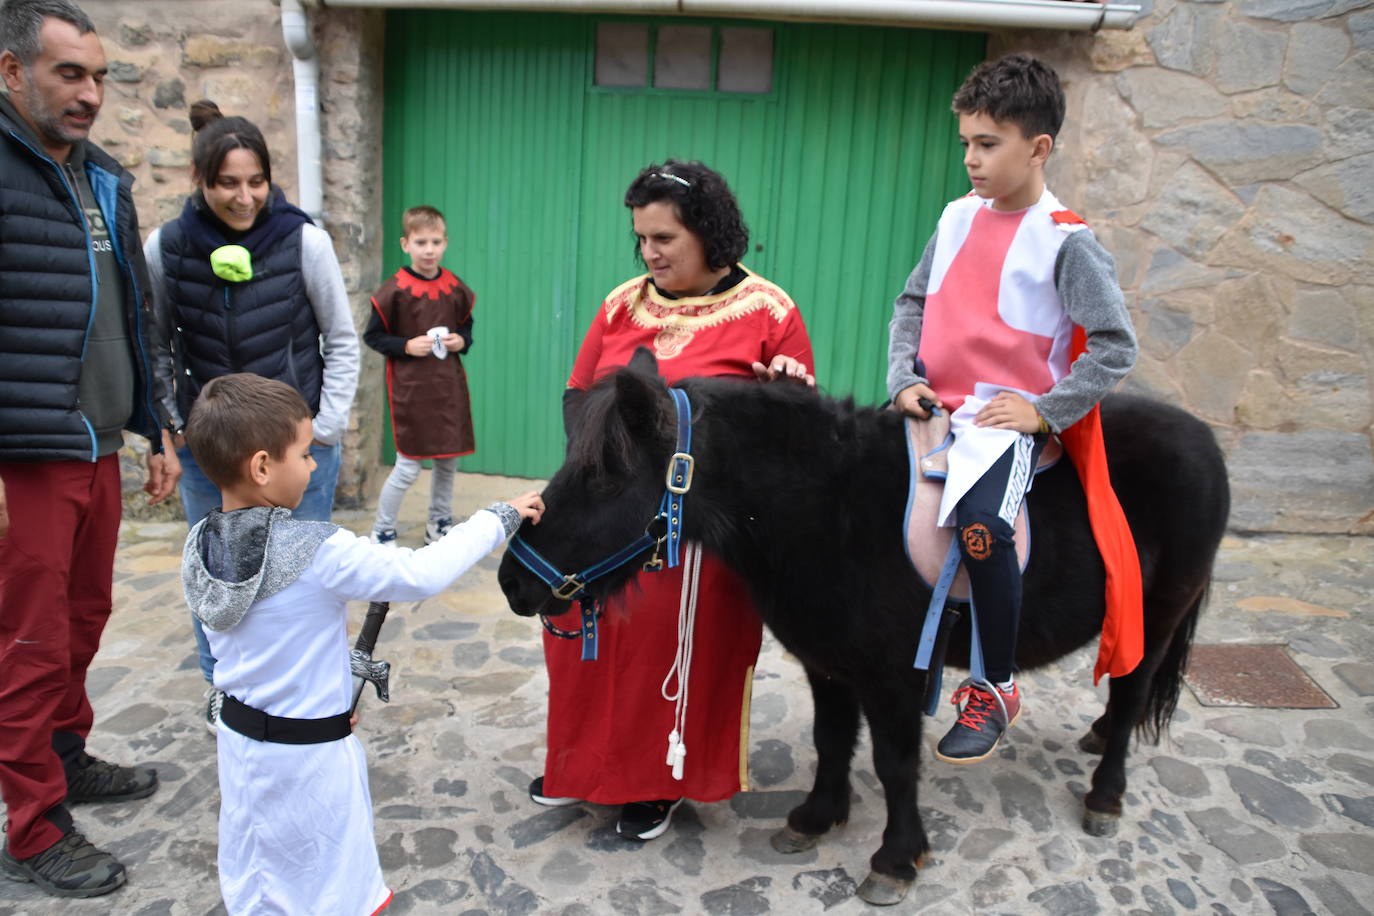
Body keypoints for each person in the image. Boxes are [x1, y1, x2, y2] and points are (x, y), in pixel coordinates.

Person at [179, 372, 542, 915]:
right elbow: (420, 574)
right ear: (261, 466)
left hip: (241, 747)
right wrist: (499, 516)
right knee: (322, 887)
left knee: (259, 874)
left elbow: (258, 647)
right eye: (304, 454)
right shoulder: (316, 551)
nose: (310, 465)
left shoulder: (200, 542)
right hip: (310, 764)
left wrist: (328, 674)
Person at [530, 160, 815, 841]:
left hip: (697, 535)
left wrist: (786, 395)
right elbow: (578, 398)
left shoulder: (771, 313)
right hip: (609, 519)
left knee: (668, 650)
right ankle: (581, 767)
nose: (650, 253)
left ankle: (657, 782)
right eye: (642, 240)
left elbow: (794, 440)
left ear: (708, 235)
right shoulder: (621, 304)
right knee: (581, 647)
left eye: (665, 239)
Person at [886, 53, 1140, 764]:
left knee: (981, 527)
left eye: (987, 144)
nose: (970, 159)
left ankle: (993, 685)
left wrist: (1045, 411)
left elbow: (1116, 345)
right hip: (930, 405)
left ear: (1039, 147)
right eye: (965, 141)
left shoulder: (1067, 240)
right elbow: (912, 303)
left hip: (1002, 422)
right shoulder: (955, 215)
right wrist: (900, 375)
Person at [0, 0, 182, 898]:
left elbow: (135, 315)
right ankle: (33, 828)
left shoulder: (101, 176)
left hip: (98, 443)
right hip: (25, 453)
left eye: (100, 76)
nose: (90, 93)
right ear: (11, 71)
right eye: (70, 72)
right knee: (26, 647)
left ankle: (64, 756)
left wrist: (158, 425)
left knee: (83, 620)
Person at [145, 99, 360, 731]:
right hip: (208, 453)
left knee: (303, 581)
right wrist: (170, 422)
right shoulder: (169, 247)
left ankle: (311, 683)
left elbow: (341, 340)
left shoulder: (302, 241)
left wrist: (324, 429)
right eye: (228, 183)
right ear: (199, 180)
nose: (245, 197)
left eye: (256, 182)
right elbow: (156, 341)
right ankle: (223, 686)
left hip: (298, 452)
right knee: (218, 576)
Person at [363, 204, 476, 547]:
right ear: (405, 244)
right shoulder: (393, 290)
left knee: (447, 462)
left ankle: (438, 523)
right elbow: (374, 336)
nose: (429, 249)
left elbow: (466, 329)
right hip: (411, 391)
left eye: (436, 242)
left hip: (447, 388)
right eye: (421, 242)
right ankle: (382, 530)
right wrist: (406, 345)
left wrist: (462, 340)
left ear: (445, 242)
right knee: (408, 467)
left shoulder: (455, 287)